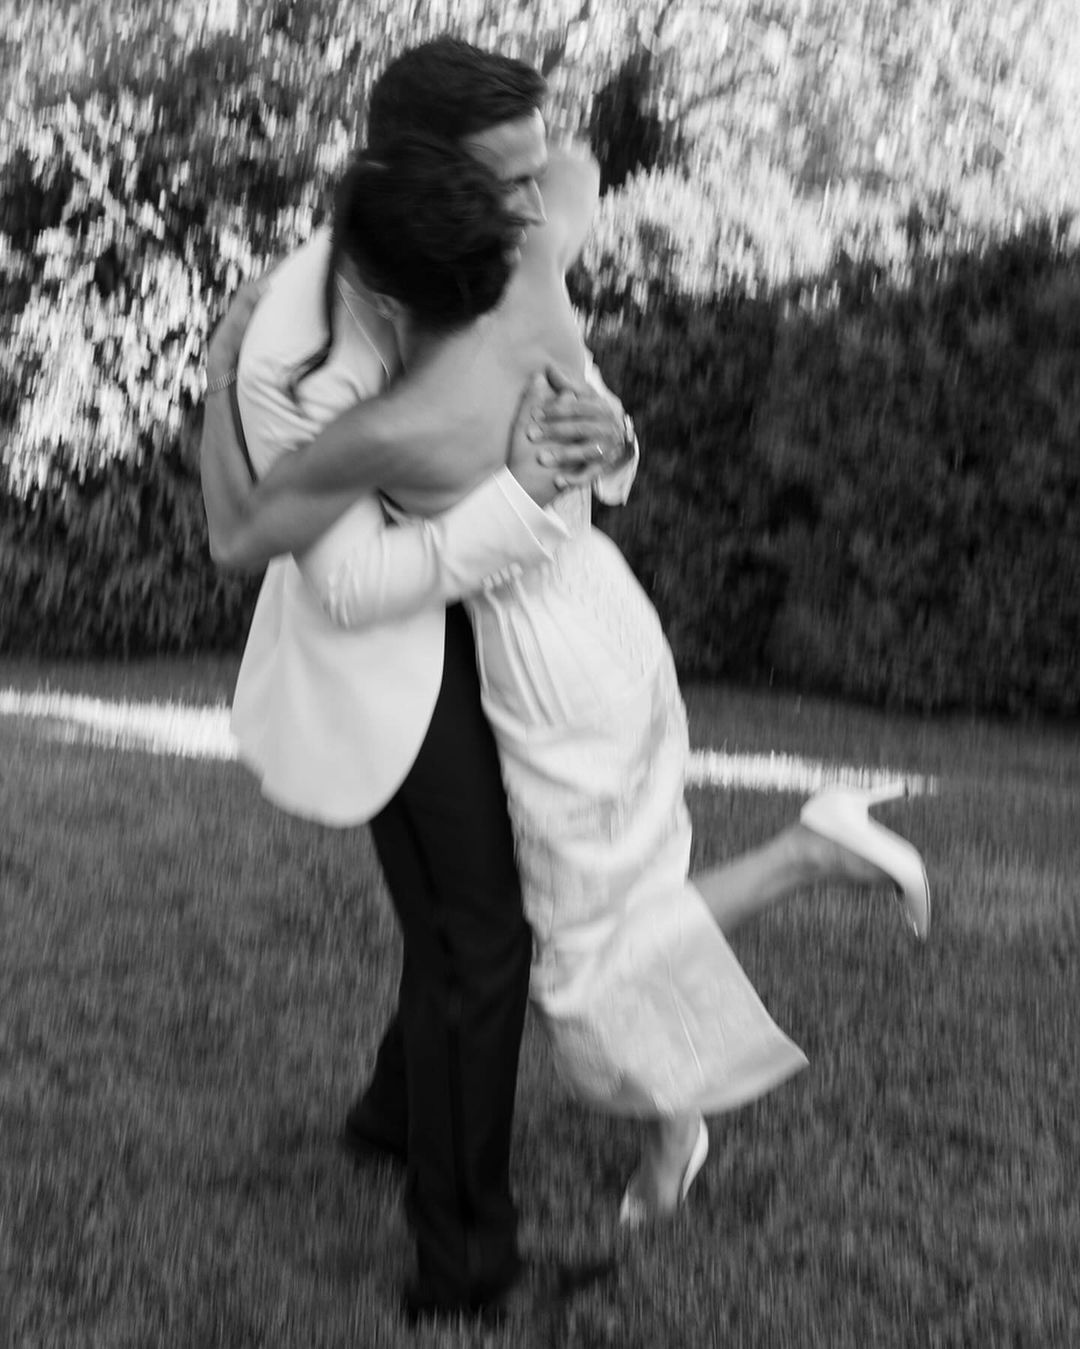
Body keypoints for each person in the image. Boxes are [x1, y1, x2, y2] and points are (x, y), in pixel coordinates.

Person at [201, 38, 930, 1324]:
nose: (541, 209)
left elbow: (581, 400)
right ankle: (466, 1264)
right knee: (484, 945)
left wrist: (608, 443)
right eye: (510, 182)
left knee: (468, 934)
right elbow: (345, 581)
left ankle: (393, 1118)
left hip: (550, 642)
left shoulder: (509, 258)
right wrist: (526, 501)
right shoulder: (287, 353)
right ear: (414, 173)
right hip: (398, 667)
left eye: (543, 176)